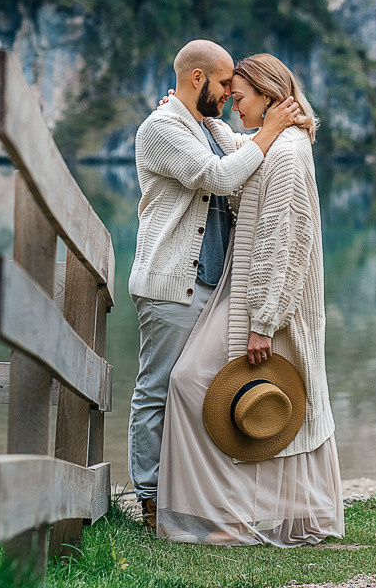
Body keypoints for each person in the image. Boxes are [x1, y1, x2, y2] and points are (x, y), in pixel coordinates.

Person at [156, 52, 343, 546]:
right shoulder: (278, 143)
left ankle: (220, 514)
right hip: (245, 293)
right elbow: (239, 153)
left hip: (263, 302)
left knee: (195, 382)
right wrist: (188, 118)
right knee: (205, 385)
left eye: (239, 98)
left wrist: (264, 321)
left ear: (267, 97)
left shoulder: (286, 154)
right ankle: (226, 511)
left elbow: (284, 243)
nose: (233, 106)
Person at [128, 40, 300, 534]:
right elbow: (222, 178)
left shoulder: (208, 127)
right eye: (225, 83)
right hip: (171, 285)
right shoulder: (160, 129)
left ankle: (193, 497)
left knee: (200, 391)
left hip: (210, 284)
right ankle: (149, 499)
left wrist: (275, 132)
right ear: (198, 79)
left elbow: (249, 156)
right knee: (158, 391)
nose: (230, 93)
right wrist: (270, 129)